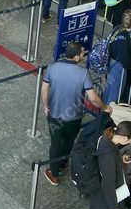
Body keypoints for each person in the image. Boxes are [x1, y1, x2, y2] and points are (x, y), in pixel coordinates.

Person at [40, 42, 108, 186]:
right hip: (74, 117)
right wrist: (105, 107)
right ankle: (64, 162)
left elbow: (44, 90)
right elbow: (93, 98)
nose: (84, 55)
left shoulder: (53, 68)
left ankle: (54, 172)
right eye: (83, 53)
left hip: (55, 115)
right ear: (76, 57)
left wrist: (46, 106)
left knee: (56, 143)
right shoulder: (83, 73)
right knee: (70, 140)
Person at [89, 121, 131, 209]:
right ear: (124, 137)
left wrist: (120, 159)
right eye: (130, 140)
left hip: (103, 189)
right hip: (107, 198)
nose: (130, 143)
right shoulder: (108, 155)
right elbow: (108, 183)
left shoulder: (106, 138)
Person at [104, 10, 131, 104]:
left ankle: (103, 109)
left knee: (108, 89)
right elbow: (124, 58)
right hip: (118, 68)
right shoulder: (124, 38)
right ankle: (108, 114)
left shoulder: (117, 28)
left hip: (111, 62)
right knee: (115, 93)